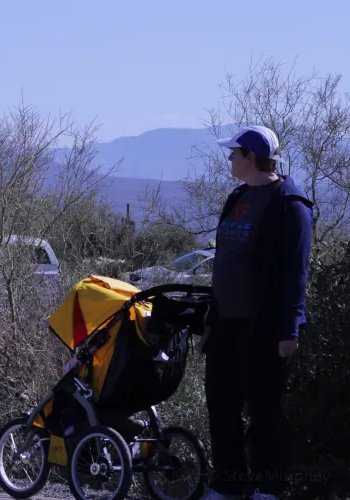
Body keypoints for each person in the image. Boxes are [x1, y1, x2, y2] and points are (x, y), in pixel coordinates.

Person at [199, 125, 313, 500]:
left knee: (265, 412)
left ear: (251, 157)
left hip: (263, 328)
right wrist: (210, 318)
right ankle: (228, 485)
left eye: (234, 153)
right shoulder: (237, 197)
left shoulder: (289, 204)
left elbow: (295, 273)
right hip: (225, 324)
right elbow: (225, 262)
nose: (229, 158)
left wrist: (290, 330)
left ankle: (268, 487)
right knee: (222, 406)